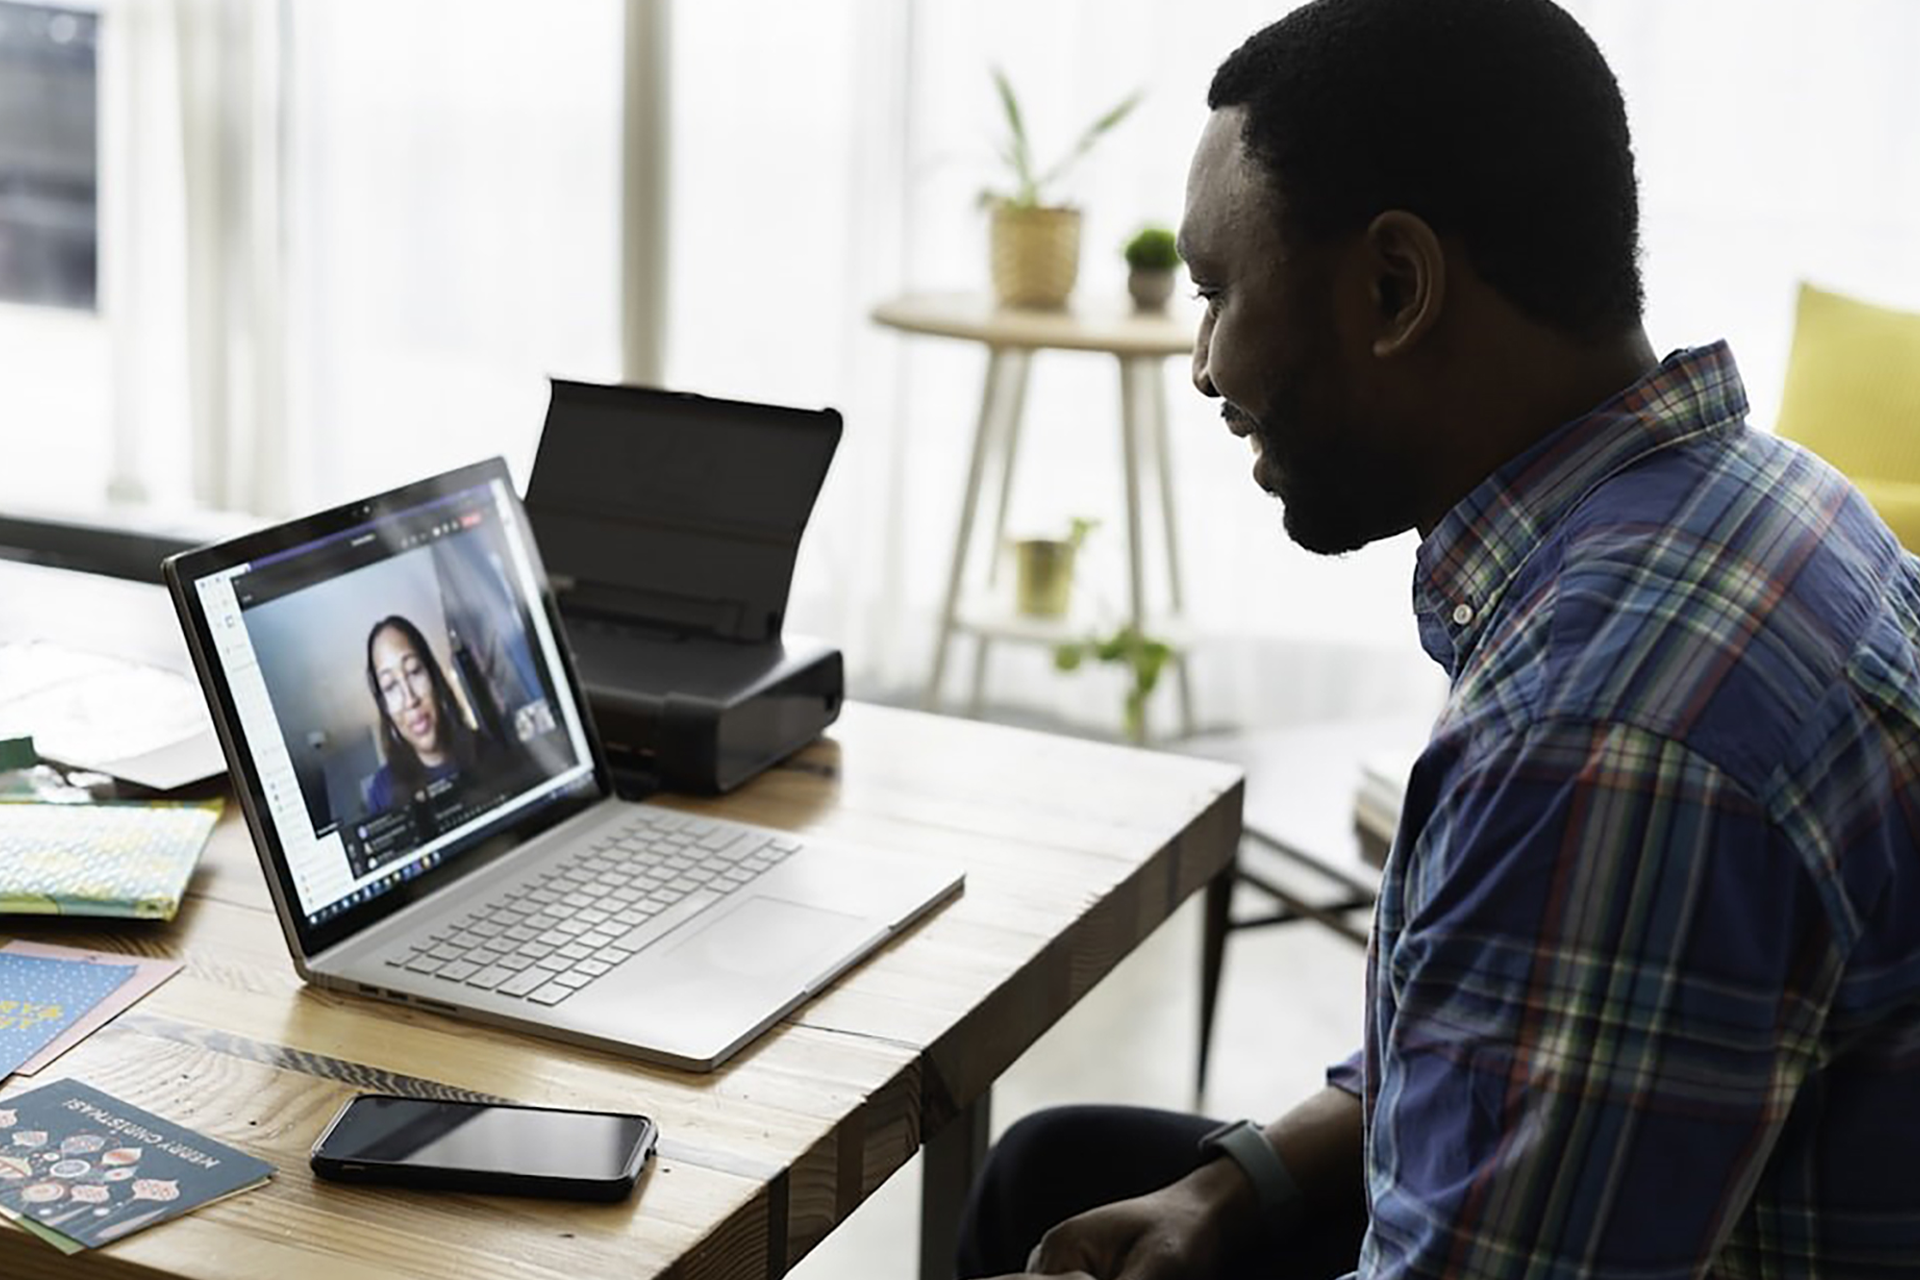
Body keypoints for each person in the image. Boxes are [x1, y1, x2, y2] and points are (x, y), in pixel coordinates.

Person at [956, 1, 1920, 1278]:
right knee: (1058, 1167)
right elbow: (1498, 1031)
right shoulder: (1757, 501)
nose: (1203, 364)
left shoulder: (1600, 728)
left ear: (1395, 288)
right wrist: (1232, 1188)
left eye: (1219, 293)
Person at [362, 614, 501, 813]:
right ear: (385, 707)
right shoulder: (382, 792)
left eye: (414, 671)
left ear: (434, 677)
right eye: (390, 685)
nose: (410, 699)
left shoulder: (485, 750)